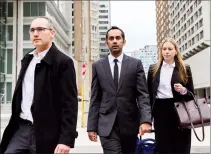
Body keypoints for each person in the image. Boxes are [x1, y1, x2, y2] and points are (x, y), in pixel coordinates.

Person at [0, 16, 78, 154]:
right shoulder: (27, 59)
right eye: (32, 30)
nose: (35, 33)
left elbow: (69, 104)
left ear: (52, 33)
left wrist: (65, 139)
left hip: (46, 132)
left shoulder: (63, 62)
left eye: (41, 29)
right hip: (21, 129)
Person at [87, 26, 152, 154]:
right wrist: (91, 126)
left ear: (124, 41)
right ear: (107, 42)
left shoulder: (135, 64)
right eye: (111, 38)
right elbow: (95, 98)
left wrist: (145, 120)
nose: (115, 41)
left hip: (130, 124)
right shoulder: (98, 66)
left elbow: (142, 95)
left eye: (118, 38)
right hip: (106, 124)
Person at [147, 37, 194, 154]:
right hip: (160, 111)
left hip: (180, 111)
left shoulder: (184, 68)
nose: (166, 51)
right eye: (164, 49)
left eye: (170, 49)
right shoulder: (153, 69)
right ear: (161, 51)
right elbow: (149, 95)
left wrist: (183, 90)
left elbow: (192, 94)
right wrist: (147, 119)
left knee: (181, 146)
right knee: (163, 147)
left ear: (176, 51)